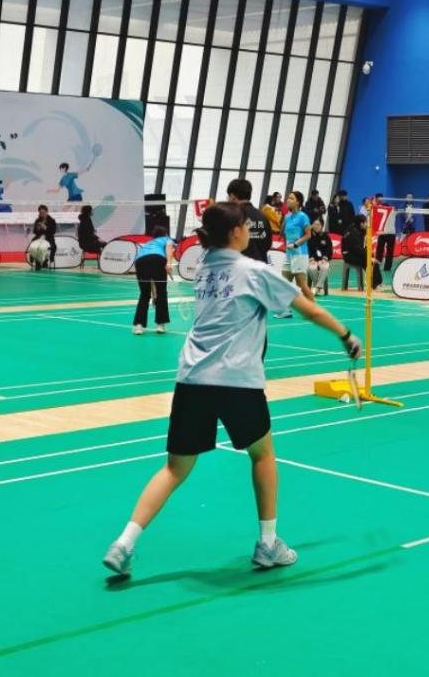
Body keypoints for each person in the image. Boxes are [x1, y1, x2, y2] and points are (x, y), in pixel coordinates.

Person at [102, 203, 363, 577]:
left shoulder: (205, 269)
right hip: (236, 379)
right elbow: (309, 309)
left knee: (175, 468)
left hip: (192, 378)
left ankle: (124, 543)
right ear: (236, 232)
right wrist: (346, 335)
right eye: (244, 225)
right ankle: (268, 543)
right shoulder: (254, 271)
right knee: (262, 455)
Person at [132, 226, 175, 335]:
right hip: (157, 259)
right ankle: (160, 324)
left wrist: (153, 295)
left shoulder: (148, 243)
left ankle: (138, 326)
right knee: (162, 292)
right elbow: (169, 248)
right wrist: (169, 263)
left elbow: (148, 260)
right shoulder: (167, 239)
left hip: (140, 262)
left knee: (144, 294)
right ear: (165, 234)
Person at [279, 190, 314, 317]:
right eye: (288, 198)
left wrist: (295, 244)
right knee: (284, 282)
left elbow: (308, 235)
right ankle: (286, 311)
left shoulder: (303, 217)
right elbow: (283, 234)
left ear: (298, 202)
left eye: (291, 198)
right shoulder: (287, 217)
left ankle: (313, 310)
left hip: (299, 254)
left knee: (301, 284)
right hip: (289, 254)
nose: (288, 200)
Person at [227, 179, 271, 263]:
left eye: (228, 197)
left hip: (238, 266)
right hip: (260, 266)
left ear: (232, 196)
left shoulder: (231, 216)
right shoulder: (263, 216)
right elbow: (268, 244)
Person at [341, 214, 367, 291]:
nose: (367, 224)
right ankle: (374, 283)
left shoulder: (359, 230)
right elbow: (356, 249)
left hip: (354, 253)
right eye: (365, 222)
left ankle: (375, 282)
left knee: (371, 260)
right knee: (368, 261)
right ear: (361, 223)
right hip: (349, 256)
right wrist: (368, 255)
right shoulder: (353, 232)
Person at [307, 220, 333, 296]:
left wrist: (325, 258)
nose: (316, 226)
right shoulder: (309, 236)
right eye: (314, 224)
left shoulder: (326, 236)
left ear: (322, 226)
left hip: (323, 260)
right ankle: (318, 287)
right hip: (312, 260)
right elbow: (307, 249)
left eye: (318, 225)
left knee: (325, 267)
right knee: (311, 268)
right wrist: (311, 258)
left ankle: (317, 288)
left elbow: (329, 249)